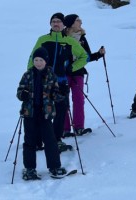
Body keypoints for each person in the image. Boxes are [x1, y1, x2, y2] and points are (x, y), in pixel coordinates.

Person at [28, 12, 88, 152]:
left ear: (63, 24)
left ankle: (57, 139)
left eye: (58, 22)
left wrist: (72, 68)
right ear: (50, 24)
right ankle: (38, 140)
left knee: (61, 110)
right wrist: (31, 75)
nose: (56, 24)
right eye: (53, 21)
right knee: (41, 111)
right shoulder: (42, 39)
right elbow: (32, 58)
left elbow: (84, 56)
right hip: (43, 82)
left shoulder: (70, 41)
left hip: (61, 82)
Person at [16, 47, 67, 180]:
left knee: (50, 140)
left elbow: (55, 95)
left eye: (41, 60)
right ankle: (30, 168)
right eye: (36, 60)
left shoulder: (51, 75)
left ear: (46, 61)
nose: (38, 63)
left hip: (46, 113)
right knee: (29, 141)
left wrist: (62, 92)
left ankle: (54, 166)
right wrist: (23, 94)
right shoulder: (27, 75)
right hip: (29, 113)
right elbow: (19, 91)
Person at [62, 14, 106, 137]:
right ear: (71, 23)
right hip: (63, 73)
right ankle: (64, 129)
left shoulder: (82, 37)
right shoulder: (62, 37)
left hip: (78, 73)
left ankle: (79, 127)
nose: (81, 22)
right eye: (78, 20)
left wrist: (99, 54)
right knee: (63, 101)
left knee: (79, 100)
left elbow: (87, 56)